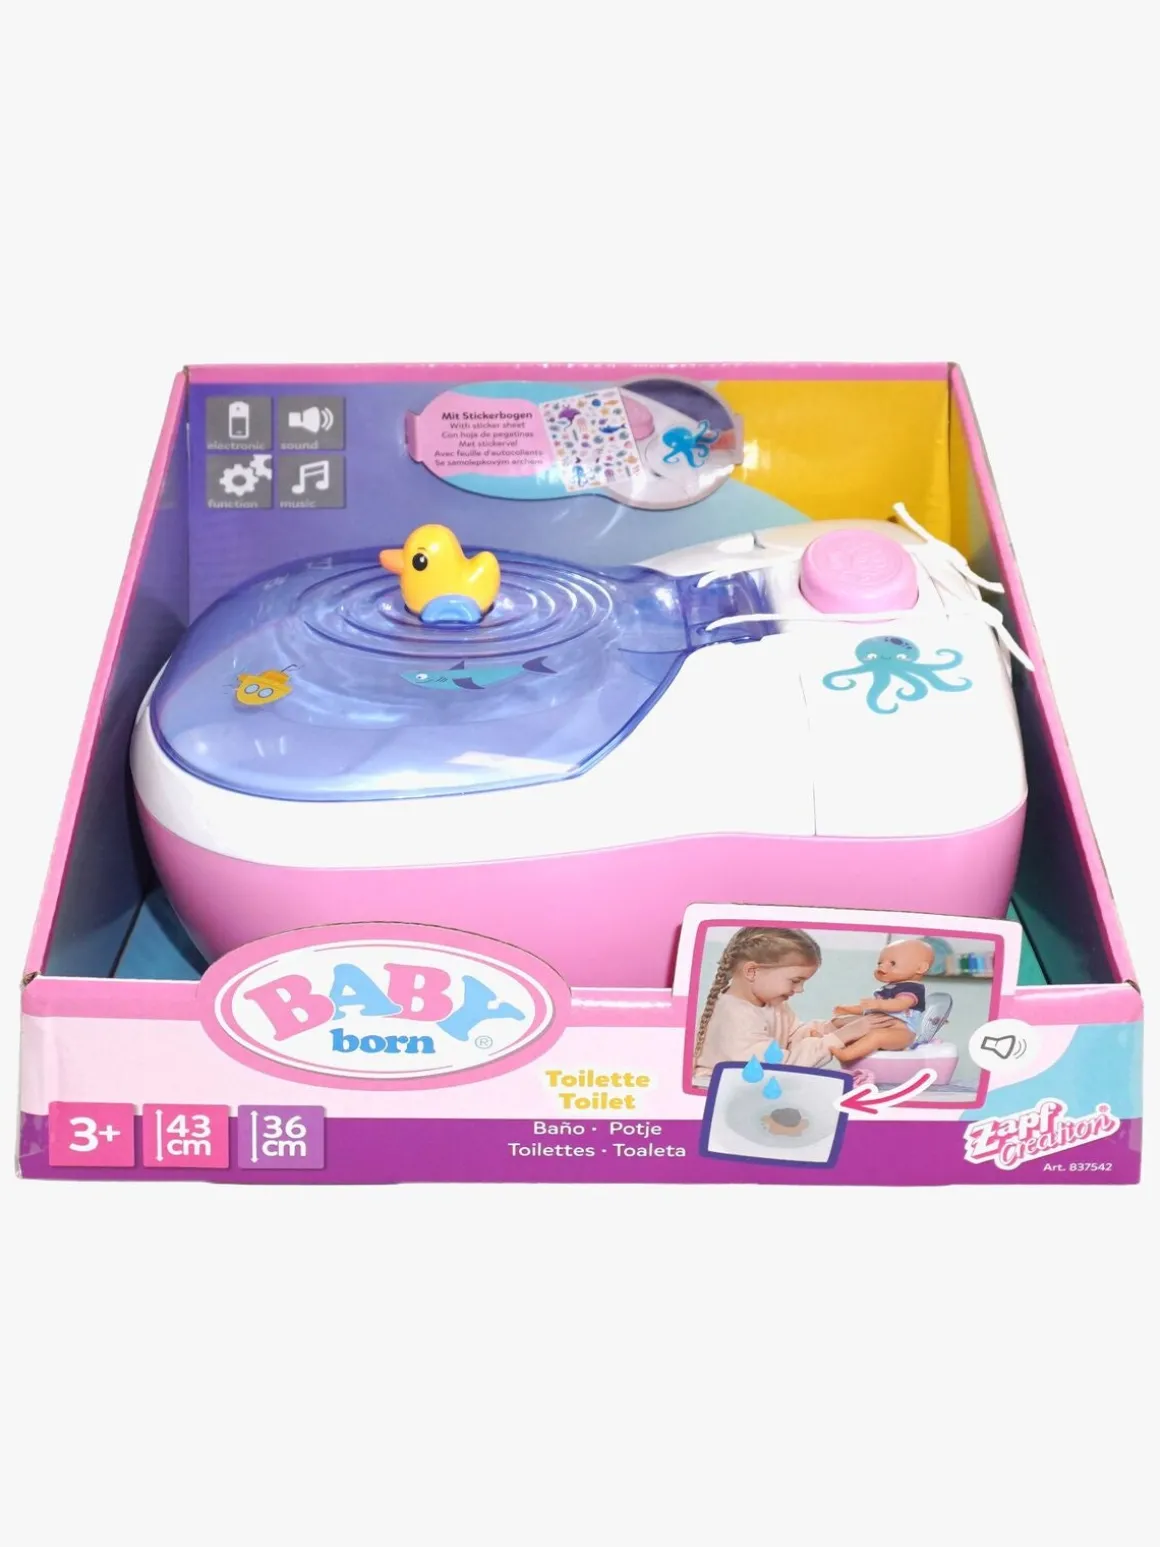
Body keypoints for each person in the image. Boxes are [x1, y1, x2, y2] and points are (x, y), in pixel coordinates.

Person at [691, 927, 839, 1087]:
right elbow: (778, 1066)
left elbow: (793, 1035)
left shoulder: (774, 1004)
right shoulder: (733, 1016)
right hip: (714, 1092)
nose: (800, 989)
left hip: (749, 1088)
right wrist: (835, 1040)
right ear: (752, 972)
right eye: (795, 981)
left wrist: (832, 1027)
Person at [827, 938, 935, 1066]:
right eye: (880, 963)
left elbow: (900, 1004)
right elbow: (870, 1009)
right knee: (846, 1021)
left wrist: (878, 1004)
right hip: (880, 1024)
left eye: (892, 963)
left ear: (920, 968)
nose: (881, 966)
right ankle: (827, 1039)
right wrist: (849, 1009)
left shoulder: (913, 988)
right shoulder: (889, 988)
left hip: (901, 1033)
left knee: (876, 1036)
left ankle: (847, 1054)